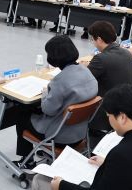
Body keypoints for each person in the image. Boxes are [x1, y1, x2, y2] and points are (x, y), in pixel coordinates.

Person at [34, 84, 132, 190]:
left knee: (39, 180)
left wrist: (61, 185)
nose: (109, 122)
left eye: (109, 116)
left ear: (122, 117)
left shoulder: (122, 154)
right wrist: (108, 164)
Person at [14, 36, 97, 165]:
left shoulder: (60, 80)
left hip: (59, 137)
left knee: (21, 115)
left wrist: (45, 93)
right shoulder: (87, 72)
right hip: (80, 134)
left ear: (54, 57)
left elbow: (48, 110)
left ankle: (27, 161)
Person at [84, 21, 132, 132]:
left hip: (104, 111)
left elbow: (83, 80)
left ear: (99, 39)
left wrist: (82, 68)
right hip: (125, 105)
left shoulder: (101, 58)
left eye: (92, 39)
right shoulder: (126, 53)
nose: (93, 42)